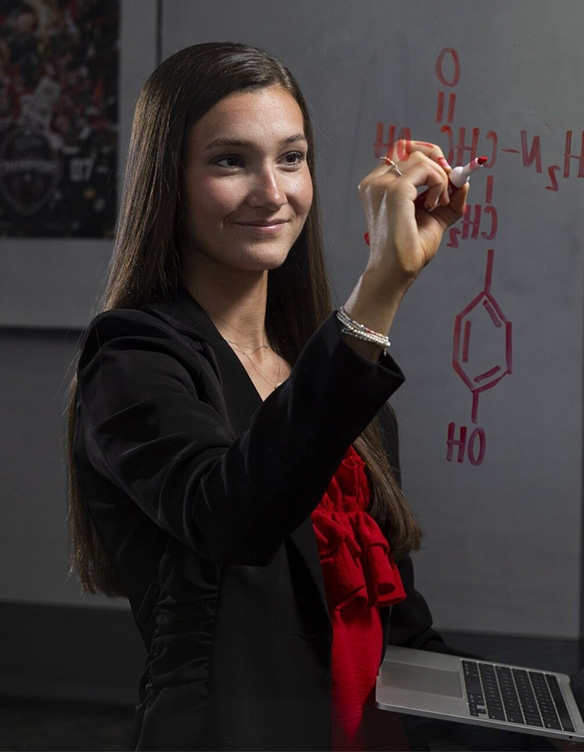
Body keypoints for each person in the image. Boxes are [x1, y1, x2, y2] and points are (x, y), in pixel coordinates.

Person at [64, 41, 473, 751]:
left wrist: (527, 725)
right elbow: (234, 515)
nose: (274, 192)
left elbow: (397, 629)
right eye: (230, 160)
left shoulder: (326, 370)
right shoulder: (131, 355)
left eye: (291, 157)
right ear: (171, 181)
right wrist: (380, 289)